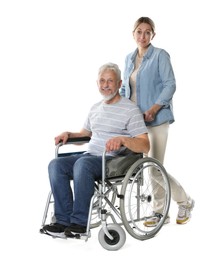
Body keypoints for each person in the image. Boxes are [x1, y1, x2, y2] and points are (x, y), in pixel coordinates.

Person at [42, 62, 150, 238]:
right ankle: (63, 221)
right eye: (102, 81)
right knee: (56, 165)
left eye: (110, 81)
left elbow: (145, 145)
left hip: (113, 160)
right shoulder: (95, 108)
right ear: (97, 83)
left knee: (82, 164)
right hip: (90, 156)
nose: (105, 85)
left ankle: (79, 223)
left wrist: (122, 139)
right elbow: (85, 135)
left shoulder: (130, 109)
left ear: (119, 84)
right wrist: (68, 135)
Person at [120, 17, 194, 226]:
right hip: (135, 122)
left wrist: (153, 109)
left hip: (156, 119)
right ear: (133, 33)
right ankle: (166, 210)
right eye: (139, 31)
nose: (142, 36)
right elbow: (126, 89)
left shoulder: (160, 55)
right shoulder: (128, 58)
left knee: (153, 167)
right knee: (146, 168)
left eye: (147, 32)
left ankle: (175, 205)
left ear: (153, 35)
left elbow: (170, 85)